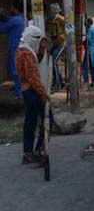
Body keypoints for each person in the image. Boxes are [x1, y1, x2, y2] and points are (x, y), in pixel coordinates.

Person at [15, 26, 51, 164]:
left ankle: (28, 153)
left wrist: (41, 48)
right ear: (30, 37)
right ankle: (40, 150)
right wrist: (42, 93)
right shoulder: (27, 53)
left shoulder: (21, 50)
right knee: (47, 119)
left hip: (25, 90)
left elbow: (36, 61)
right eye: (36, 38)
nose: (37, 41)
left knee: (30, 122)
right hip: (32, 90)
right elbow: (33, 76)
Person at [0, 3, 26, 99]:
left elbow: (3, 29)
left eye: (11, 7)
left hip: (14, 47)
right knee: (18, 68)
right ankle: (18, 87)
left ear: (15, 9)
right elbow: (9, 20)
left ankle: (19, 93)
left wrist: (2, 15)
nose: (10, 9)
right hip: (19, 46)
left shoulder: (15, 20)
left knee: (14, 69)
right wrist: (3, 15)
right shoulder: (22, 18)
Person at [46, 4, 66, 91]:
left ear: (55, 11)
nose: (49, 12)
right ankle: (59, 82)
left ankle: (58, 84)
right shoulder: (50, 20)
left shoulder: (60, 19)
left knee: (54, 62)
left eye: (51, 11)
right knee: (51, 62)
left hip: (62, 44)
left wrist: (59, 17)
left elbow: (69, 23)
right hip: (55, 44)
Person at [82, 18, 94, 87]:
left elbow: (88, 40)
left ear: (88, 23)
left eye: (85, 24)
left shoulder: (90, 30)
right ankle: (93, 81)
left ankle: (85, 81)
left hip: (90, 52)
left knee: (84, 67)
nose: (84, 25)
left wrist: (83, 43)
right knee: (92, 67)